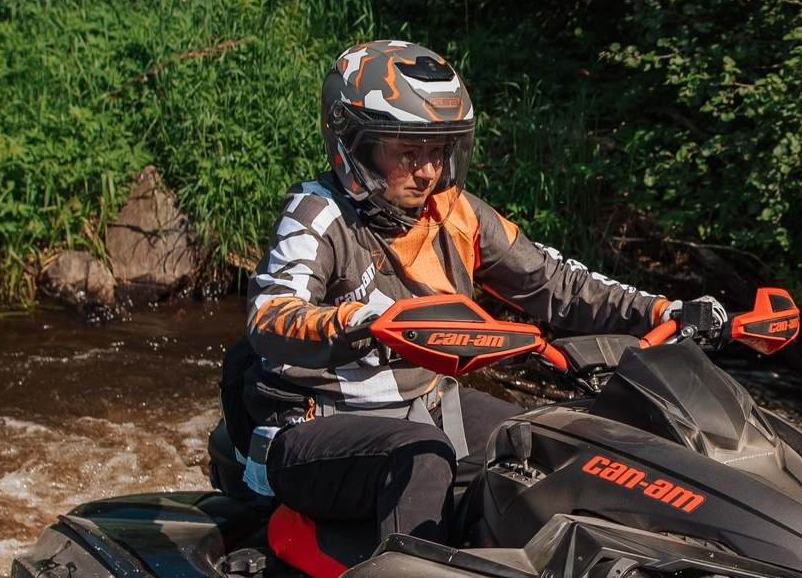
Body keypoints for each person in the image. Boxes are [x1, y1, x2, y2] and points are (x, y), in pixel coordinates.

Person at [218, 39, 728, 544]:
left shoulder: (454, 213)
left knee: (555, 445)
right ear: (355, 144)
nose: (428, 171)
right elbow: (270, 316)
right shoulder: (316, 213)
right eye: (407, 152)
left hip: (429, 407)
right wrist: (359, 323)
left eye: (438, 151)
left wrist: (664, 310)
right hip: (310, 426)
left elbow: (559, 284)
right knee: (420, 454)